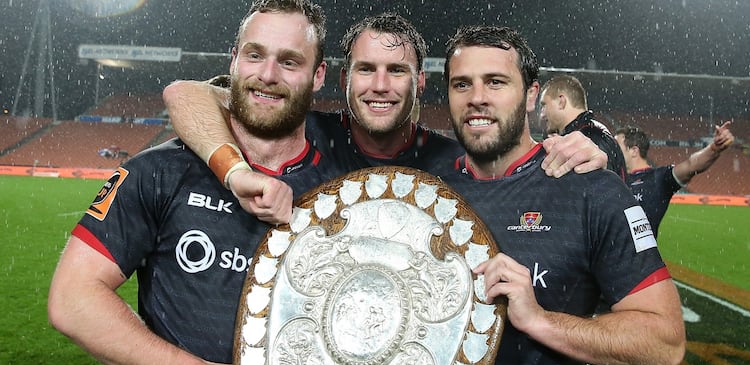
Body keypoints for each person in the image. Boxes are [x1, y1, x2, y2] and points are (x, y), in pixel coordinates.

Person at [48, 3, 478, 365]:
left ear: (318, 76)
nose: (268, 74)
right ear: (233, 61)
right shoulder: (161, 171)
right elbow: (72, 299)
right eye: (254, 56)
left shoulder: (353, 183)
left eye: (290, 61)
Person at [434, 25, 686, 365]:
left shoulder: (590, 188)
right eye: (462, 84)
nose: (477, 97)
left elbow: (665, 343)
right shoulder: (425, 196)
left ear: (532, 95)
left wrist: (539, 321)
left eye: (496, 82)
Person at [162, 13, 610, 222]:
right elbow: (185, 94)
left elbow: (517, 167)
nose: (380, 85)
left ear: (420, 83)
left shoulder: (452, 161)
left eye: (396, 71)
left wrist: (574, 146)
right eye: (366, 69)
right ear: (341, 78)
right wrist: (233, 171)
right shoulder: (307, 134)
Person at [615, 122, 735, 365]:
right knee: (629, 349)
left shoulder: (657, 179)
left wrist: (714, 148)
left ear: (633, 149)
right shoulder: (614, 180)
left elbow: (692, 165)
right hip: (615, 278)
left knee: (660, 355)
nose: (613, 146)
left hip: (646, 278)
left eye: (618, 142)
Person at [541, 74, 637, 365]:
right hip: (591, 274)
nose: (542, 112)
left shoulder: (589, 135)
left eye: (545, 104)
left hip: (594, 279)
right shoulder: (594, 132)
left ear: (562, 100)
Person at [539, 74, 627, 180]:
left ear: (561, 102)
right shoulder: (591, 132)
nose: (542, 114)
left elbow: (602, 189)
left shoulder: (591, 136)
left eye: (544, 105)